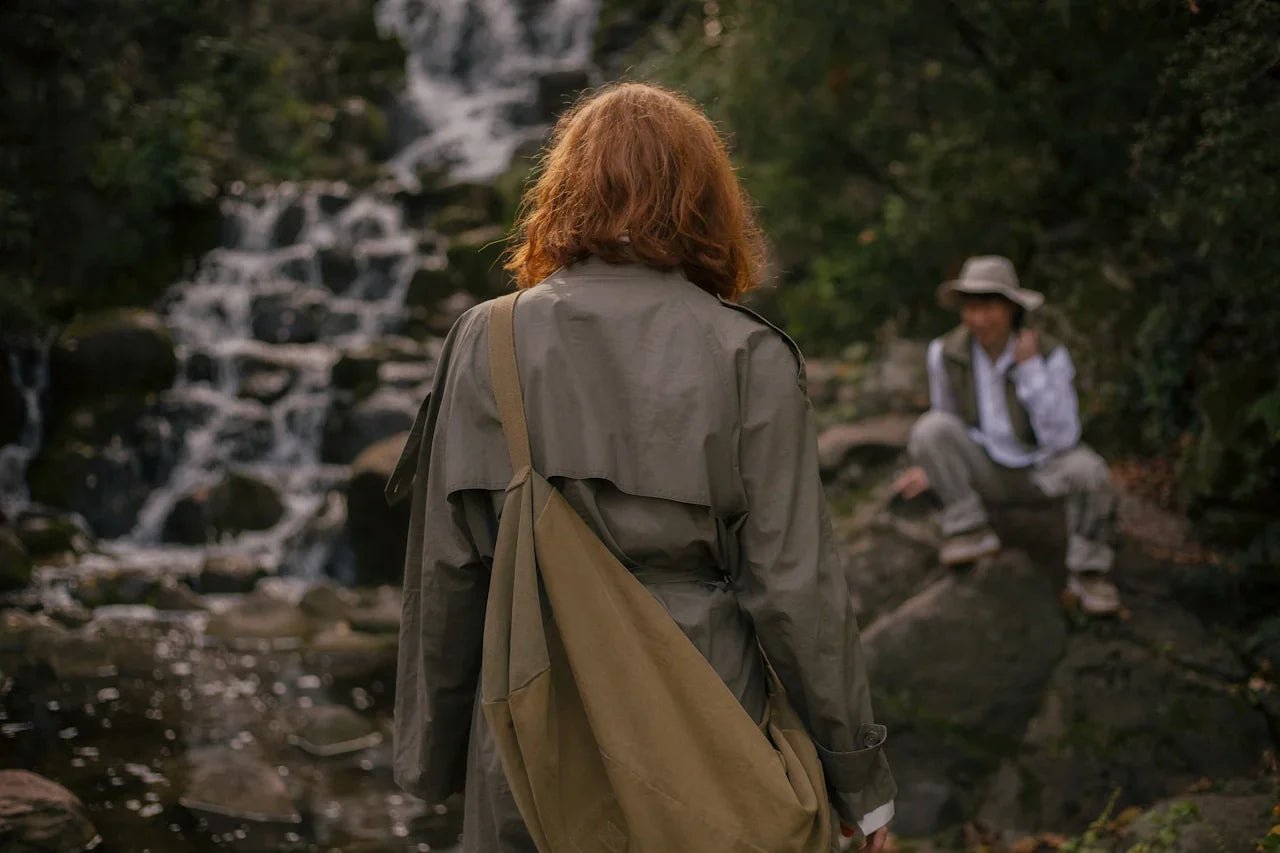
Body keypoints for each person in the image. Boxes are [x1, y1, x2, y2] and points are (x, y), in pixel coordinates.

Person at [390, 82, 895, 852]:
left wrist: (431, 762)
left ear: (564, 192)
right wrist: (860, 780)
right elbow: (796, 587)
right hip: (702, 727)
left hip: (530, 735)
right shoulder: (745, 354)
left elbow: (447, 570)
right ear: (704, 201)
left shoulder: (484, 340)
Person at [893, 255, 1121, 615]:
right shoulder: (945, 353)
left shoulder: (1049, 354)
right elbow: (946, 420)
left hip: (1042, 470)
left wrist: (1030, 371)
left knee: (1089, 471)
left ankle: (1089, 573)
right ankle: (969, 530)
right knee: (928, 428)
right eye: (970, 308)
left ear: (1012, 308)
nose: (978, 319)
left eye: (989, 307)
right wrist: (932, 468)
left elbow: (1063, 439)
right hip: (987, 467)